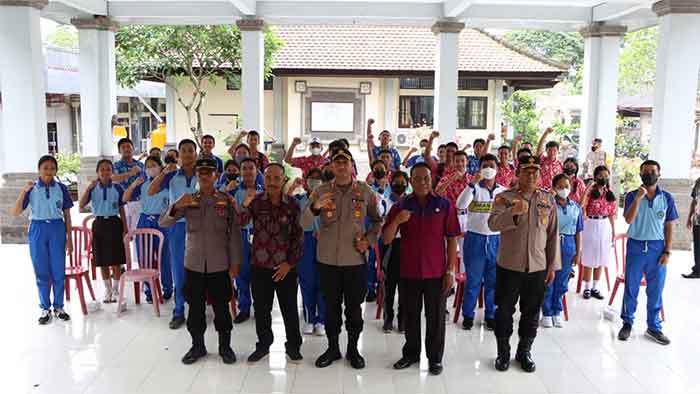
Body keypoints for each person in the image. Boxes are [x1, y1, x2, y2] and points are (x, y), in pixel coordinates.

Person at [301, 148, 381, 370]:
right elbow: (303, 223)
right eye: (337, 162)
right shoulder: (321, 191)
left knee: (354, 309)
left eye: (345, 162)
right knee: (331, 309)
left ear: (351, 166)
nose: (341, 166)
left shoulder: (365, 191)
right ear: (331, 166)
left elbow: (376, 222)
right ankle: (333, 348)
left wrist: (369, 240)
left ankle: (353, 350)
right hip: (327, 261)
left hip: (355, 261)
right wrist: (315, 207)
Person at [159, 158, 242, 365]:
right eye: (200, 173)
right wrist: (177, 204)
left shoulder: (226, 200)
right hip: (194, 263)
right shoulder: (188, 200)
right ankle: (198, 347)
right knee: (195, 309)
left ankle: (225, 347)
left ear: (216, 176)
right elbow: (164, 221)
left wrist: (235, 262)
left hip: (219, 263)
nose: (204, 176)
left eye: (209, 172)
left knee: (222, 308)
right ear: (197, 176)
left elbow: (234, 234)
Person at [383, 162, 460, 376]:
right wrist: (397, 221)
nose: (423, 182)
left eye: (426, 178)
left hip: (436, 272)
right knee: (410, 315)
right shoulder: (400, 206)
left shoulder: (444, 205)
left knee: (435, 318)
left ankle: (435, 359)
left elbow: (452, 238)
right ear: (411, 182)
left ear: (431, 179)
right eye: (417, 178)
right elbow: (386, 238)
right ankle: (411, 354)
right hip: (408, 271)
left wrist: (450, 270)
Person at [488, 155, 559, 373]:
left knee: (531, 312)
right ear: (518, 174)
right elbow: (492, 224)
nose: (531, 175)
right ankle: (503, 352)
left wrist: (552, 266)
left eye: (535, 172)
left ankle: (524, 351)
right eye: (526, 171)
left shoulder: (547, 199)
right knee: (503, 312)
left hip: (537, 267)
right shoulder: (503, 198)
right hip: (509, 266)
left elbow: (553, 234)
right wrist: (513, 212)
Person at [238, 163, 304, 363]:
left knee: (290, 309)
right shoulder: (256, 202)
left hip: (285, 268)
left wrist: (289, 264)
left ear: (284, 180)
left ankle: (293, 346)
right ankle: (263, 345)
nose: (272, 182)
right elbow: (240, 222)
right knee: (261, 310)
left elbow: (298, 237)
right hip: (260, 267)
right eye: (268, 178)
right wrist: (245, 204)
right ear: (263, 180)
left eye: (277, 178)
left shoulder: (292, 204)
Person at [618, 160, 678, 345]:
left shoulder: (666, 198)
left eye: (652, 171)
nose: (649, 174)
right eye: (645, 171)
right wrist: (638, 198)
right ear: (640, 174)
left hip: (657, 248)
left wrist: (667, 251)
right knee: (631, 287)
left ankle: (654, 327)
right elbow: (628, 219)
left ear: (659, 174)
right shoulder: (631, 195)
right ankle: (627, 322)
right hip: (636, 246)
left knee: (656, 289)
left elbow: (669, 226)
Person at [12, 155, 74, 324]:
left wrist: (70, 239)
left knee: (58, 270)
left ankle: (59, 306)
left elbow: (67, 214)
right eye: (45, 168)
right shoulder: (31, 188)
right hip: (37, 229)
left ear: (56, 170)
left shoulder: (61, 188)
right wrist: (23, 191)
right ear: (39, 169)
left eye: (52, 168)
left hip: (57, 228)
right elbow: (16, 212)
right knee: (41, 271)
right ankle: (45, 308)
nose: (48, 171)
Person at [149, 139, 199, 329]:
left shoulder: (202, 174)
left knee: (196, 270)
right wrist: (163, 172)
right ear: (178, 155)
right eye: (183, 151)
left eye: (190, 150)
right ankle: (179, 311)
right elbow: (152, 190)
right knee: (178, 269)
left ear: (195, 154)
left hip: (199, 227)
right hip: (177, 226)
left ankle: (196, 309)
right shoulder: (171, 176)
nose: (187, 154)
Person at [455, 154, 507, 331]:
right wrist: (471, 183)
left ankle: (490, 315)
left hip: (496, 239)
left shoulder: (503, 191)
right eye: (485, 165)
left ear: (497, 169)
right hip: (475, 239)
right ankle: (468, 315)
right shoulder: (474, 188)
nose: (488, 169)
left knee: (493, 282)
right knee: (473, 281)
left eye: (492, 165)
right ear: (479, 168)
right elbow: (460, 205)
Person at [122, 156, 173, 303]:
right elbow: (125, 198)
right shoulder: (143, 183)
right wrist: (133, 185)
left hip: (163, 220)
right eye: (148, 166)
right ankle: (149, 290)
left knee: (165, 257)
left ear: (160, 166)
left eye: (154, 165)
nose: (151, 168)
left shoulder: (167, 181)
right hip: (145, 221)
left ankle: (167, 288)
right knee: (145, 257)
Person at [79, 159, 128, 305]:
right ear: (97, 172)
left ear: (112, 171)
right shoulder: (93, 188)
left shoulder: (118, 188)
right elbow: (81, 205)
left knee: (116, 260)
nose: (105, 172)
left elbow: (121, 208)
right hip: (99, 224)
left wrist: (125, 227)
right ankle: (107, 290)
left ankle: (116, 290)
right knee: (102, 260)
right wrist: (88, 189)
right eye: (102, 169)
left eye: (108, 169)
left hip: (114, 223)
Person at [542, 174, 583, 328]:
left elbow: (579, 231)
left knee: (562, 280)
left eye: (566, 186)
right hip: (550, 243)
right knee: (549, 279)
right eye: (560, 186)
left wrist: (578, 252)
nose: (564, 189)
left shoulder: (576, 207)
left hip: (568, 245)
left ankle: (556, 311)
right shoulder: (548, 204)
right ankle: (546, 311)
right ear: (554, 187)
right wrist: (548, 199)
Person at [230, 158, 265, 324]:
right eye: (244, 168)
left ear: (256, 170)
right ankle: (244, 308)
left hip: (260, 236)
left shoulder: (263, 191)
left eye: (251, 168)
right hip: (241, 235)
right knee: (242, 273)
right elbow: (232, 216)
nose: (248, 171)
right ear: (240, 171)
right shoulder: (234, 191)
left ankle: (261, 309)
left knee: (259, 274)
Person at [295, 168, 326, 335]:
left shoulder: (328, 200)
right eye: (311, 178)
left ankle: (321, 319)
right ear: (305, 181)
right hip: (305, 242)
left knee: (323, 282)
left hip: (324, 242)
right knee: (307, 281)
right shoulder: (299, 200)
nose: (314, 181)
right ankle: (309, 318)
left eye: (318, 178)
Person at [579, 165, 617, 300]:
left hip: (605, 224)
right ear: (595, 177)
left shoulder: (609, 193)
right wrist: (588, 187)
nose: (604, 178)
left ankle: (595, 287)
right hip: (591, 223)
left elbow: (612, 213)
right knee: (590, 256)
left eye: (606, 176)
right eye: (601, 176)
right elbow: (581, 204)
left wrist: (613, 231)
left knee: (601, 256)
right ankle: (587, 288)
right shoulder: (590, 192)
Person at [380, 171, 409, 333]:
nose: (399, 185)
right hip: (390, 245)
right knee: (389, 285)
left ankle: (402, 319)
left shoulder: (411, 202)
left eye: (402, 182)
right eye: (396, 182)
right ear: (391, 184)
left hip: (406, 246)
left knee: (405, 285)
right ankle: (388, 318)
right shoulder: (384, 202)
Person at [112, 138, 145, 238]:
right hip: (123, 204)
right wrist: (130, 173)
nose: (126, 149)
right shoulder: (116, 166)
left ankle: (137, 254)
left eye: (128, 147)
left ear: (133, 148)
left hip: (139, 202)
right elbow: (113, 179)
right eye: (123, 147)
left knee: (137, 235)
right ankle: (125, 254)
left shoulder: (140, 165)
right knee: (124, 235)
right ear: (119, 151)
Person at [435, 151, 473, 230]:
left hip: (469, 216)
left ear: (467, 162)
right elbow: (437, 194)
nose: (460, 164)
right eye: (457, 161)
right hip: (450, 216)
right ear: (453, 162)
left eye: (462, 161)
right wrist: (451, 179)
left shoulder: (472, 179)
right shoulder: (445, 178)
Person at [684, 175, 700, 278]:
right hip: (697, 220)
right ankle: (697, 271)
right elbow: (694, 201)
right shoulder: (698, 181)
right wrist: (689, 217)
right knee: (697, 247)